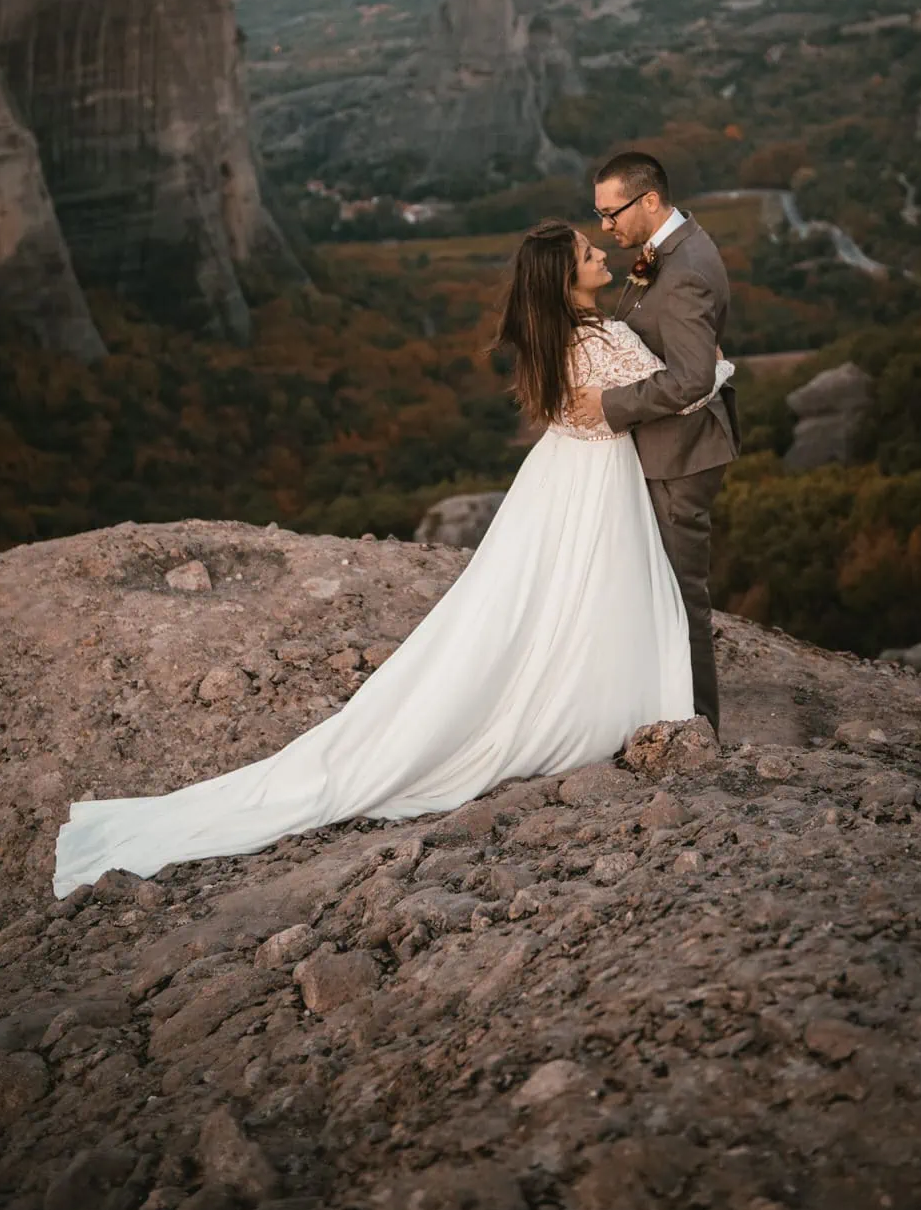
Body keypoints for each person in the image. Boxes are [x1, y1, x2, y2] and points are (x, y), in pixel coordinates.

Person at [52, 219, 732, 897]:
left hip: (576, 478)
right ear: (565, 279)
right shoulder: (594, 341)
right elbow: (682, 387)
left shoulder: (573, 338)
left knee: (558, 597)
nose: (600, 252)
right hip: (593, 487)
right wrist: (719, 366)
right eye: (587, 252)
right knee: (585, 592)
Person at [576, 153, 740, 736]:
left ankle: (699, 729)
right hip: (669, 446)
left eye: (610, 213)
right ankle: (661, 709)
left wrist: (610, 406)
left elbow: (693, 378)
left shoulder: (687, 266)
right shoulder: (670, 251)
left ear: (649, 201)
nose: (604, 229)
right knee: (657, 588)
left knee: (681, 596)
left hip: (682, 455)